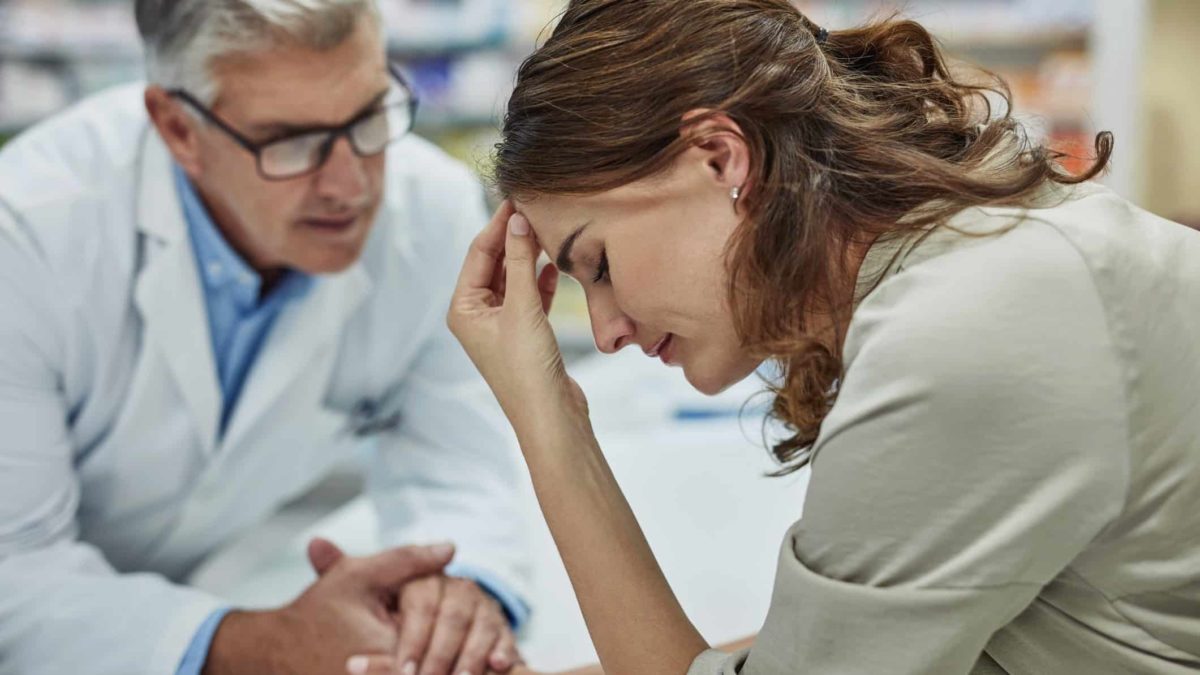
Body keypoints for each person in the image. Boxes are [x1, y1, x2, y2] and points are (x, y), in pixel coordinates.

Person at [353, 1, 1200, 673]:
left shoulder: (967, 332)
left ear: (722, 158)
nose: (605, 331)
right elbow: (843, 639)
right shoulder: (971, 261)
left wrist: (546, 412)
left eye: (599, 263)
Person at [0, 2, 531, 675]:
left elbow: (458, 458)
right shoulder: (27, 232)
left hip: (207, 581)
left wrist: (454, 589)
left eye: (369, 116)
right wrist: (255, 643)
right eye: (291, 141)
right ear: (177, 128)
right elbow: (13, 572)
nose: (351, 183)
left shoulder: (429, 208)